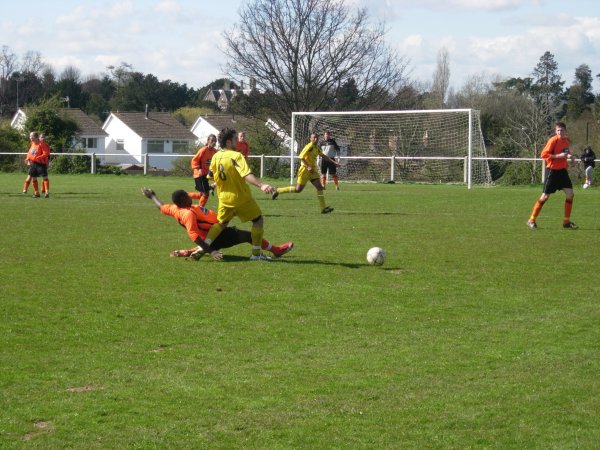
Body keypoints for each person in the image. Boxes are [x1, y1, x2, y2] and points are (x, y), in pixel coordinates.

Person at [142, 188, 294, 260]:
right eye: (187, 196)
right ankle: (276, 250)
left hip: (214, 235)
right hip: (217, 236)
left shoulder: (175, 208)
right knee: (249, 236)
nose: (190, 197)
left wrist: (152, 196)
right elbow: (194, 235)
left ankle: (191, 252)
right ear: (182, 201)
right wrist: (212, 251)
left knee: (244, 234)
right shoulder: (188, 214)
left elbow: (161, 207)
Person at [204, 127, 277, 261]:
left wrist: (221, 182)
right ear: (228, 142)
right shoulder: (236, 156)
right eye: (234, 139)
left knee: (221, 223)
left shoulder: (216, 156)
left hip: (224, 199)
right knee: (257, 220)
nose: (237, 141)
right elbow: (246, 175)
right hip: (240, 198)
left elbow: (211, 176)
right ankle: (256, 254)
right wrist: (261, 185)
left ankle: (204, 246)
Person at [272, 132, 340, 214]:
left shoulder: (316, 148)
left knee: (319, 187)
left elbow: (324, 156)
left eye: (317, 138)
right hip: (304, 170)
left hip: (312, 171)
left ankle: (323, 208)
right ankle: (277, 190)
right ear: (310, 139)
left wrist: (334, 162)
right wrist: (308, 166)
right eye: (314, 138)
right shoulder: (309, 146)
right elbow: (301, 157)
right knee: (298, 189)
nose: (316, 139)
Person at [527, 122, 578, 230]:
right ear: (556, 131)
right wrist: (557, 156)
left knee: (570, 194)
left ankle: (566, 222)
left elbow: (566, 151)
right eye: (558, 130)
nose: (560, 132)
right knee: (545, 197)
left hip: (562, 171)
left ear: (565, 131)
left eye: (562, 130)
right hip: (553, 172)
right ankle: (531, 220)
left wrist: (571, 157)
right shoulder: (553, 140)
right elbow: (543, 154)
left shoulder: (566, 140)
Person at [190, 134, 217, 207]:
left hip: (206, 174)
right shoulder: (203, 150)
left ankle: (186, 195)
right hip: (199, 175)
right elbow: (194, 160)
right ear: (208, 141)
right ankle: (200, 209)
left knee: (203, 194)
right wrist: (199, 169)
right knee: (206, 193)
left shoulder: (215, 151)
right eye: (212, 140)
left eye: (215, 141)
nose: (214, 142)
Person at [22, 132, 51, 198]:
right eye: (30, 136)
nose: (30, 137)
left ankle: (46, 192)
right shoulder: (32, 144)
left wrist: (38, 157)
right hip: (34, 164)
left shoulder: (42, 144)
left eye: (31, 136)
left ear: (36, 137)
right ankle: (37, 193)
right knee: (33, 178)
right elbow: (29, 153)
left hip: (41, 164)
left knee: (45, 177)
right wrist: (27, 159)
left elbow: (46, 153)